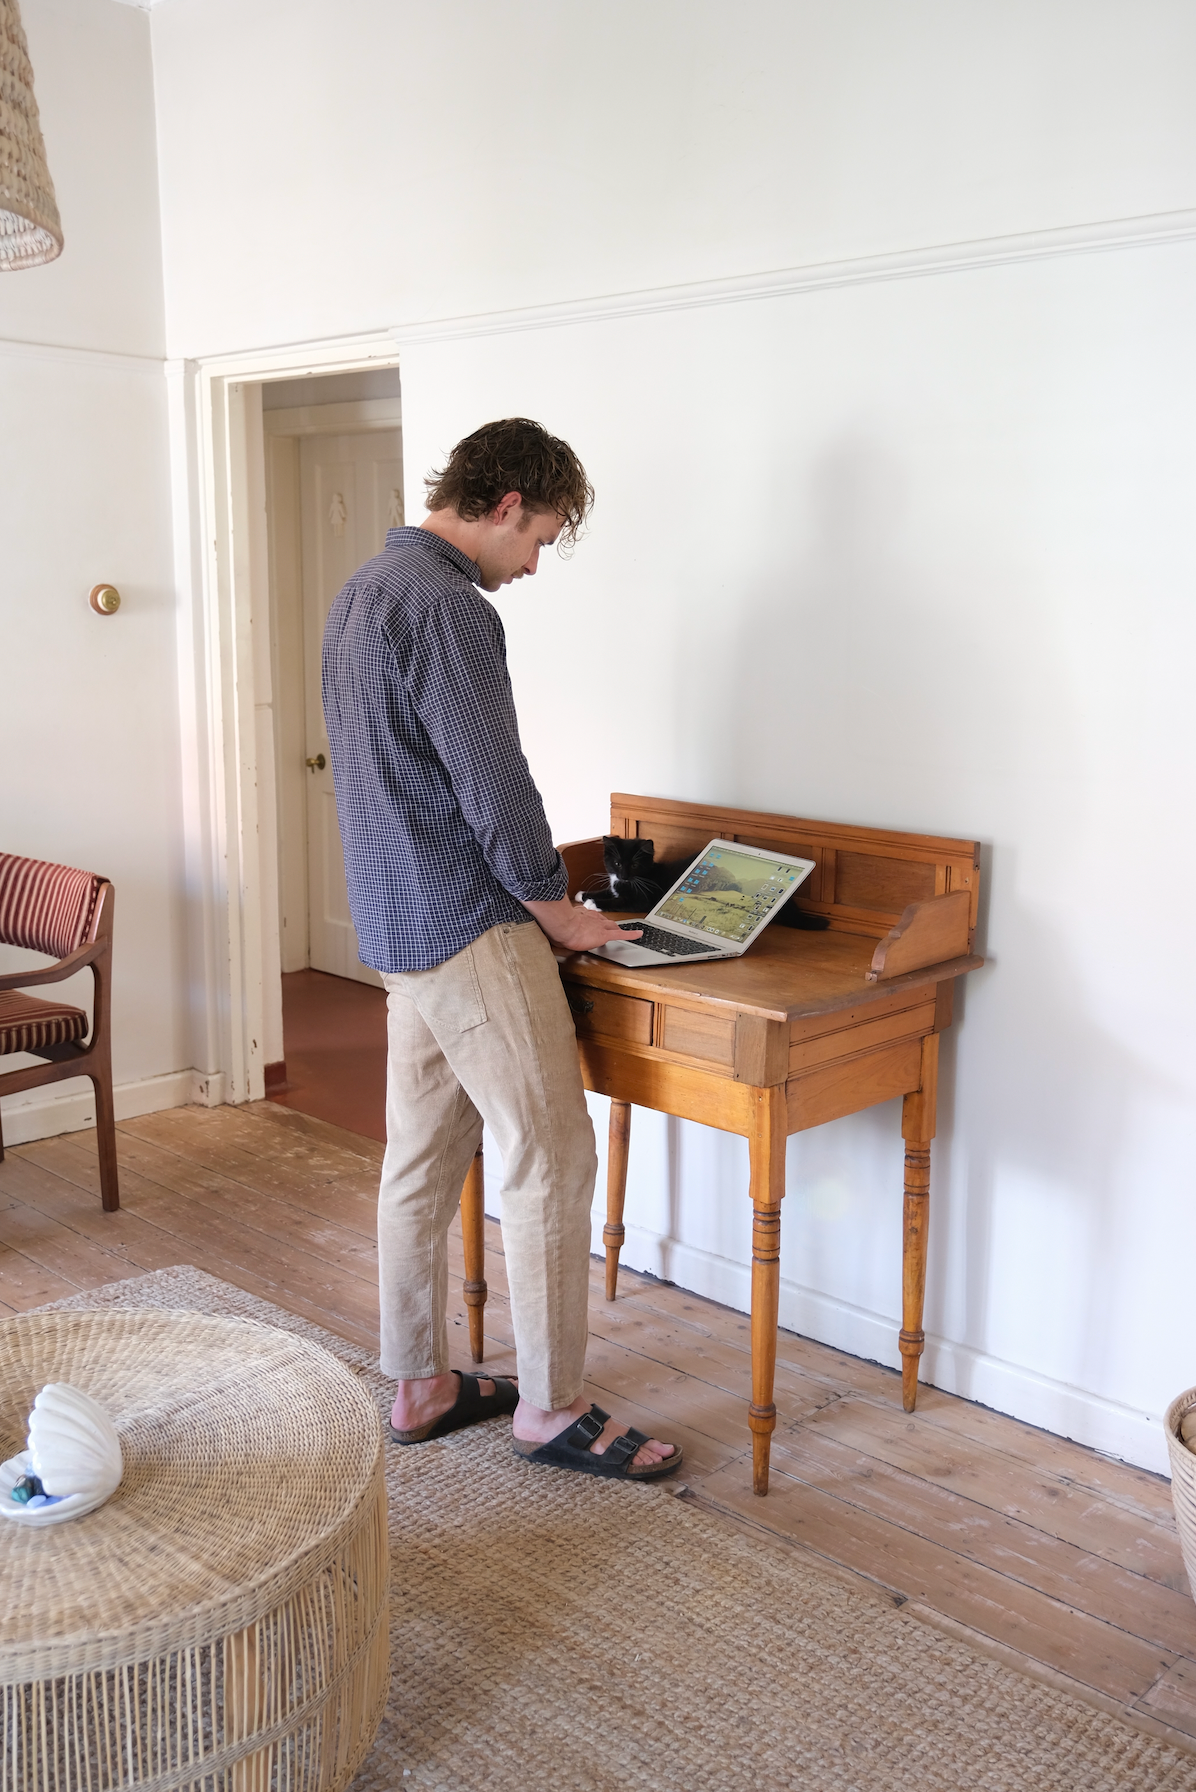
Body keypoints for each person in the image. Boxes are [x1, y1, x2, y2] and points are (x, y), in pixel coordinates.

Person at [322, 417, 680, 1480]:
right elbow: (493, 782)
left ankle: (420, 1381)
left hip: (395, 925)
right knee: (550, 1151)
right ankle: (552, 1407)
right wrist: (555, 903)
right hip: (471, 925)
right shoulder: (447, 606)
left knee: (420, 1160)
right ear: (507, 502)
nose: (531, 566)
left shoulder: (361, 593)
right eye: (540, 539)